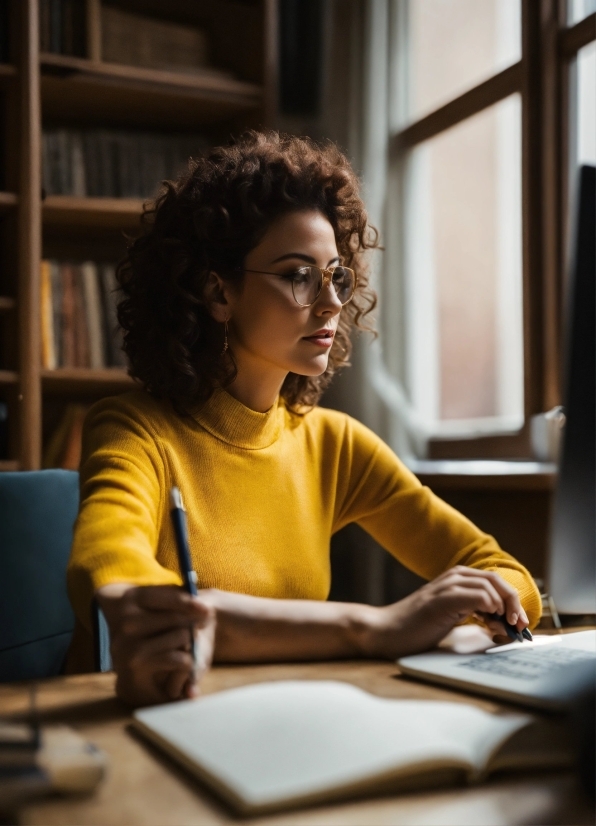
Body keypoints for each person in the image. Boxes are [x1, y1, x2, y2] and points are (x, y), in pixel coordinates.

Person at [66, 131, 541, 707]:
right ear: (218, 292)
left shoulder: (335, 445)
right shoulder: (133, 429)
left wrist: (477, 612)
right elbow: (114, 578)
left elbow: (503, 572)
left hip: (289, 714)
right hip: (163, 723)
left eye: (335, 275)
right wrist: (377, 628)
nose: (332, 302)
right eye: (298, 275)